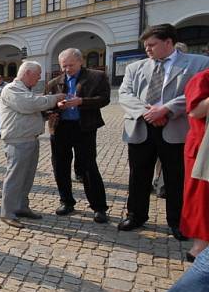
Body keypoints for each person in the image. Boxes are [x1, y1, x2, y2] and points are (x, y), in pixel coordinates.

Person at [117, 24, 209, 240]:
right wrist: (147, 112)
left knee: (175, 177)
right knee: (138, 175)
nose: (147, 49)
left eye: (152, 45)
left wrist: (166, 109)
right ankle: (136, 215)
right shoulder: (135, 67)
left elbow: (197, 94)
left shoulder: (198, 63)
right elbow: (124, 93)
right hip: (141, 126)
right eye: (146, 46)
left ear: (169, 42)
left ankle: (177, 221)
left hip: (175, 127)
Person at [45, 48, 111, 223]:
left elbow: (104, 99)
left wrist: (82, 102)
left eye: (70, 65)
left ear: (80, 61)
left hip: (85, 128)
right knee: (60, 167)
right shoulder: (54, 82)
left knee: (88, 167)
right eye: (63, 66)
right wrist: (56, 106)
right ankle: (66, 201)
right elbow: (47, 104)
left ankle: (99, 207)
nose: (67, 69)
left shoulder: (96, 76)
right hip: (60, 128)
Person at [0, 62, 66, 228]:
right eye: (38, 74)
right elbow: (29, 105)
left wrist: (44, 117)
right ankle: (7, 213)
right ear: (28, 73)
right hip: (17, 141)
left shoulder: (26, 90)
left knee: (26, 177)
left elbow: (28, 112)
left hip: (29, 139)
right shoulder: (12, 89)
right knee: (15, 178)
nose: (39, 78)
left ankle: (21, 207)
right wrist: (55, 98)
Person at [181, 69, 209, 261]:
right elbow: (195, 111)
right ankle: (200, 246)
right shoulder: (203, 78)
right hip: (203, 148)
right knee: (201, 198)